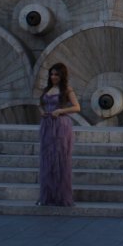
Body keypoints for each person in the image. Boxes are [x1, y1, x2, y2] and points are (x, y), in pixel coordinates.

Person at [38, 62, 80, 206]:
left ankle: (61, 195)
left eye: (56, 74)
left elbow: (77, 107)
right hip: (47, 125)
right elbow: (41, 104)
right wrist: (42, 112)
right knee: (47, 160)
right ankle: (48, 196)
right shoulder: (47, 89)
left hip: (61, 125)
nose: (53, 77)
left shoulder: (67, 89)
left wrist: (61, 110)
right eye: (51, 74)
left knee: (60, 159)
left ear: (62, 75)